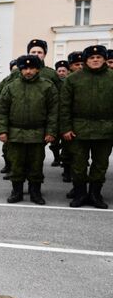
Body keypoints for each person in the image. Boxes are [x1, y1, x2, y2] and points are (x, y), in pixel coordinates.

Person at [0, 55, 58, 205]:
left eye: (31, 68)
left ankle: (35, 192)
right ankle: (16, 191)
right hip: (15, 133)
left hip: (38, 134)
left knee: (36, 164)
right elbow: (2, 111)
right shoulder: (11, 87)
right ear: (21, 70)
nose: (28, 71)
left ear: (38, 69)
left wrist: (51, 132)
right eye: (25, 68)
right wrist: (2, 130)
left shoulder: (47, 87)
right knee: (16, 164)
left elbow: (53, 112)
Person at [59, 45, 113, 208]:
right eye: (91, 58)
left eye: (99, 57)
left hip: (106, 130)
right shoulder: (73, 79)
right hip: (78, 130)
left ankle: (95, 194)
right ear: (86, 60)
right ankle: (80, 194)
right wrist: (66, 128)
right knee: (78, 164)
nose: (95, 60)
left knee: (100, 164)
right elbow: (64, 106)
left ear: (104, 59)